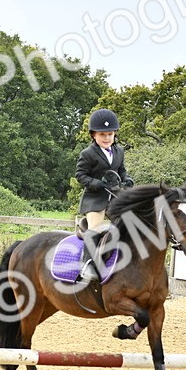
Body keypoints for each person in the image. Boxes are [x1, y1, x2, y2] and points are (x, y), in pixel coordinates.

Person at [74, 108, 132, 283]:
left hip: (115, 196)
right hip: (95, 199)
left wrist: (127, 179)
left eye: (110, 134)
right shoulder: (88, 154)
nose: (107, 138)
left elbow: (122, 170)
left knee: (128, 224)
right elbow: (80, 175)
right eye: (102, 135)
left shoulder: (119, 151)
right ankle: (88, 265)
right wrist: (96, 183)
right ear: (93, 135)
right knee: (95, 228)